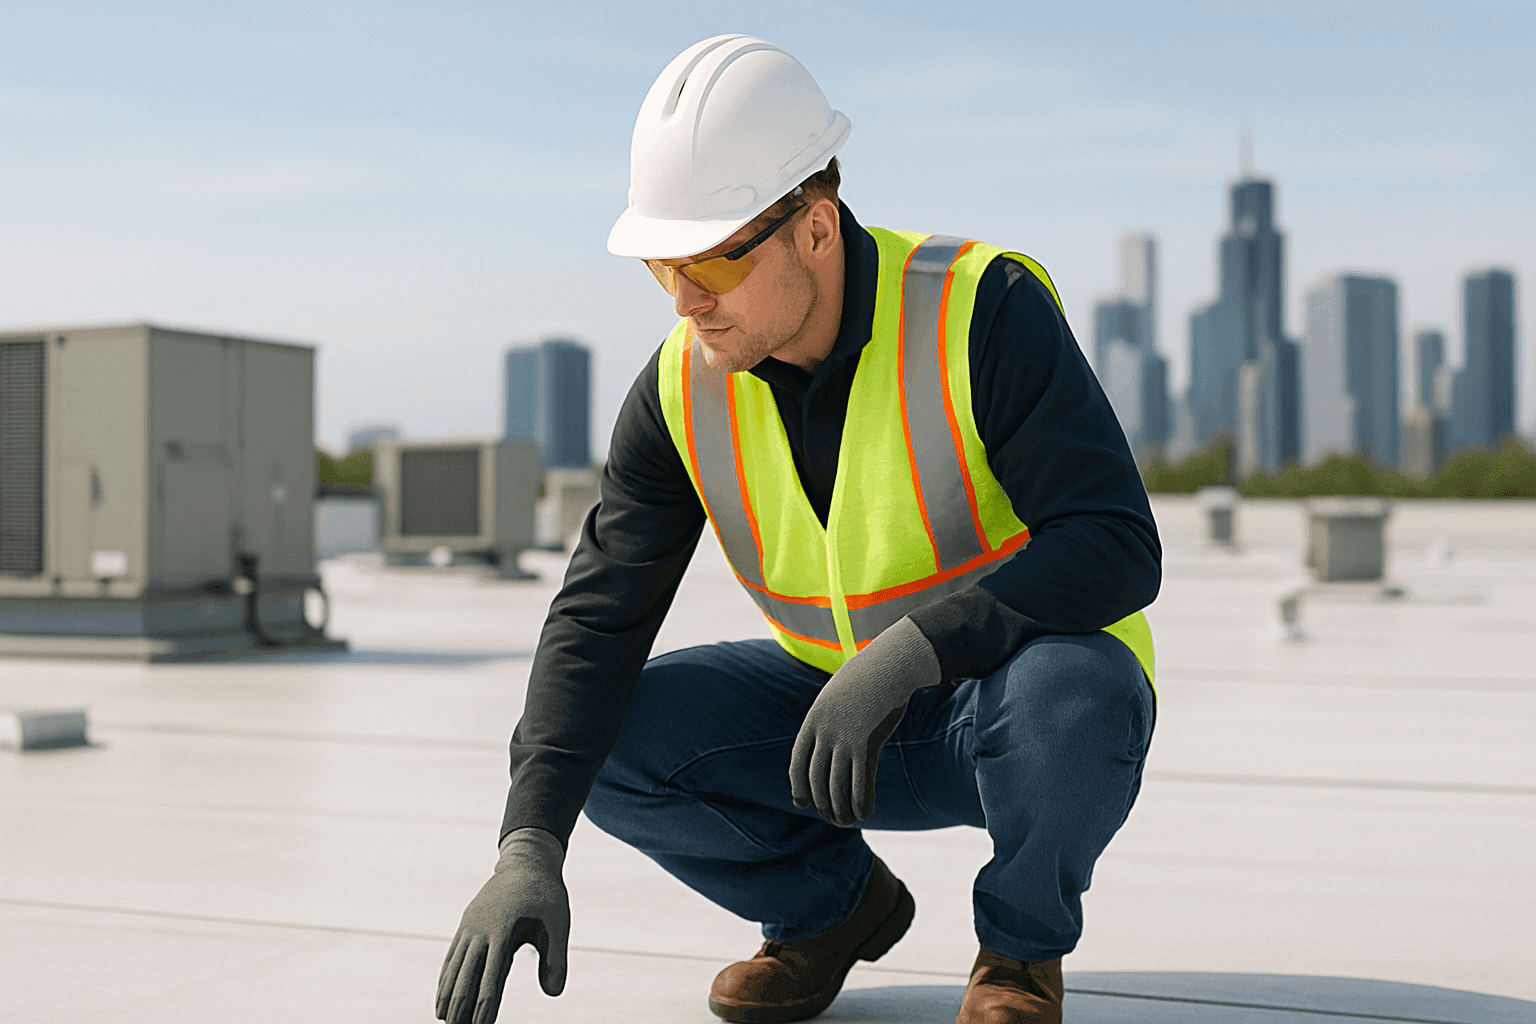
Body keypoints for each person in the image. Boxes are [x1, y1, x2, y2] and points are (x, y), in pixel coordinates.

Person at [437, 34, 1159, 1024]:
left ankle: (1019, 956)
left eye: (709, 260)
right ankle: (829, 912)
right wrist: (528, 843)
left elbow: (1116, 542)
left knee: (1078, 693)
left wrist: (913, 654)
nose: (685, 299)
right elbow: (596, 619)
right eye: (661, 265)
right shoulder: (681, 389)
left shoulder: (980, 311)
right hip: (829, 724)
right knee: (614, 735)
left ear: (814, 228)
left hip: (1001, 707)